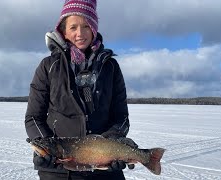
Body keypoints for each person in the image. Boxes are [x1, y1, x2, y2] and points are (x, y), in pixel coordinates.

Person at [25, 0, 138, 179]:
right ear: (63, 31)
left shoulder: (111, 67)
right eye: (73, 27)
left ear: (93, 29)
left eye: (86, 26)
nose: (80, 34)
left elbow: (121, 117)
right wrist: (47, 147)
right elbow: (33, 117)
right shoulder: (49, 66)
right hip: (59, 170)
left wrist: (111, 143)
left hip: (105, 169)